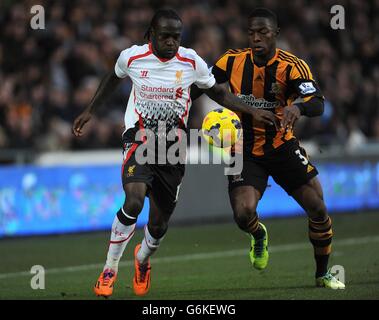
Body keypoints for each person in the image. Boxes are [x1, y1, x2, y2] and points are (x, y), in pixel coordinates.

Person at [72, 9, 277, 298]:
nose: (171, 42)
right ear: (151, 34)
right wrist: (90, 110)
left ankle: (142, 259)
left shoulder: (191, 60)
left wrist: (251, 110)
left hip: (173, 147)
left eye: (176, 37)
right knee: (133, 200)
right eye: (165, 36)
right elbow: (112, 78)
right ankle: (109, 269)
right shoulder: (131, 57)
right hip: (140, 138)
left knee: (158, 224)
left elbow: (217, 92)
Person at [191, 8, 345, 289]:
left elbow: (318, 102)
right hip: (245, 149)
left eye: (262, 32)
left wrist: (297, 108)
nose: (256, 38)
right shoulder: (232, 61)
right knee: (243, 213)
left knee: (318, 208)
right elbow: (202, 86)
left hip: (282, 146)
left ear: (275, 34)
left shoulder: (292, 66)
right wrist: (177, 107)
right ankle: (258, 234)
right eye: (251, 32)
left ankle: (322, 273)